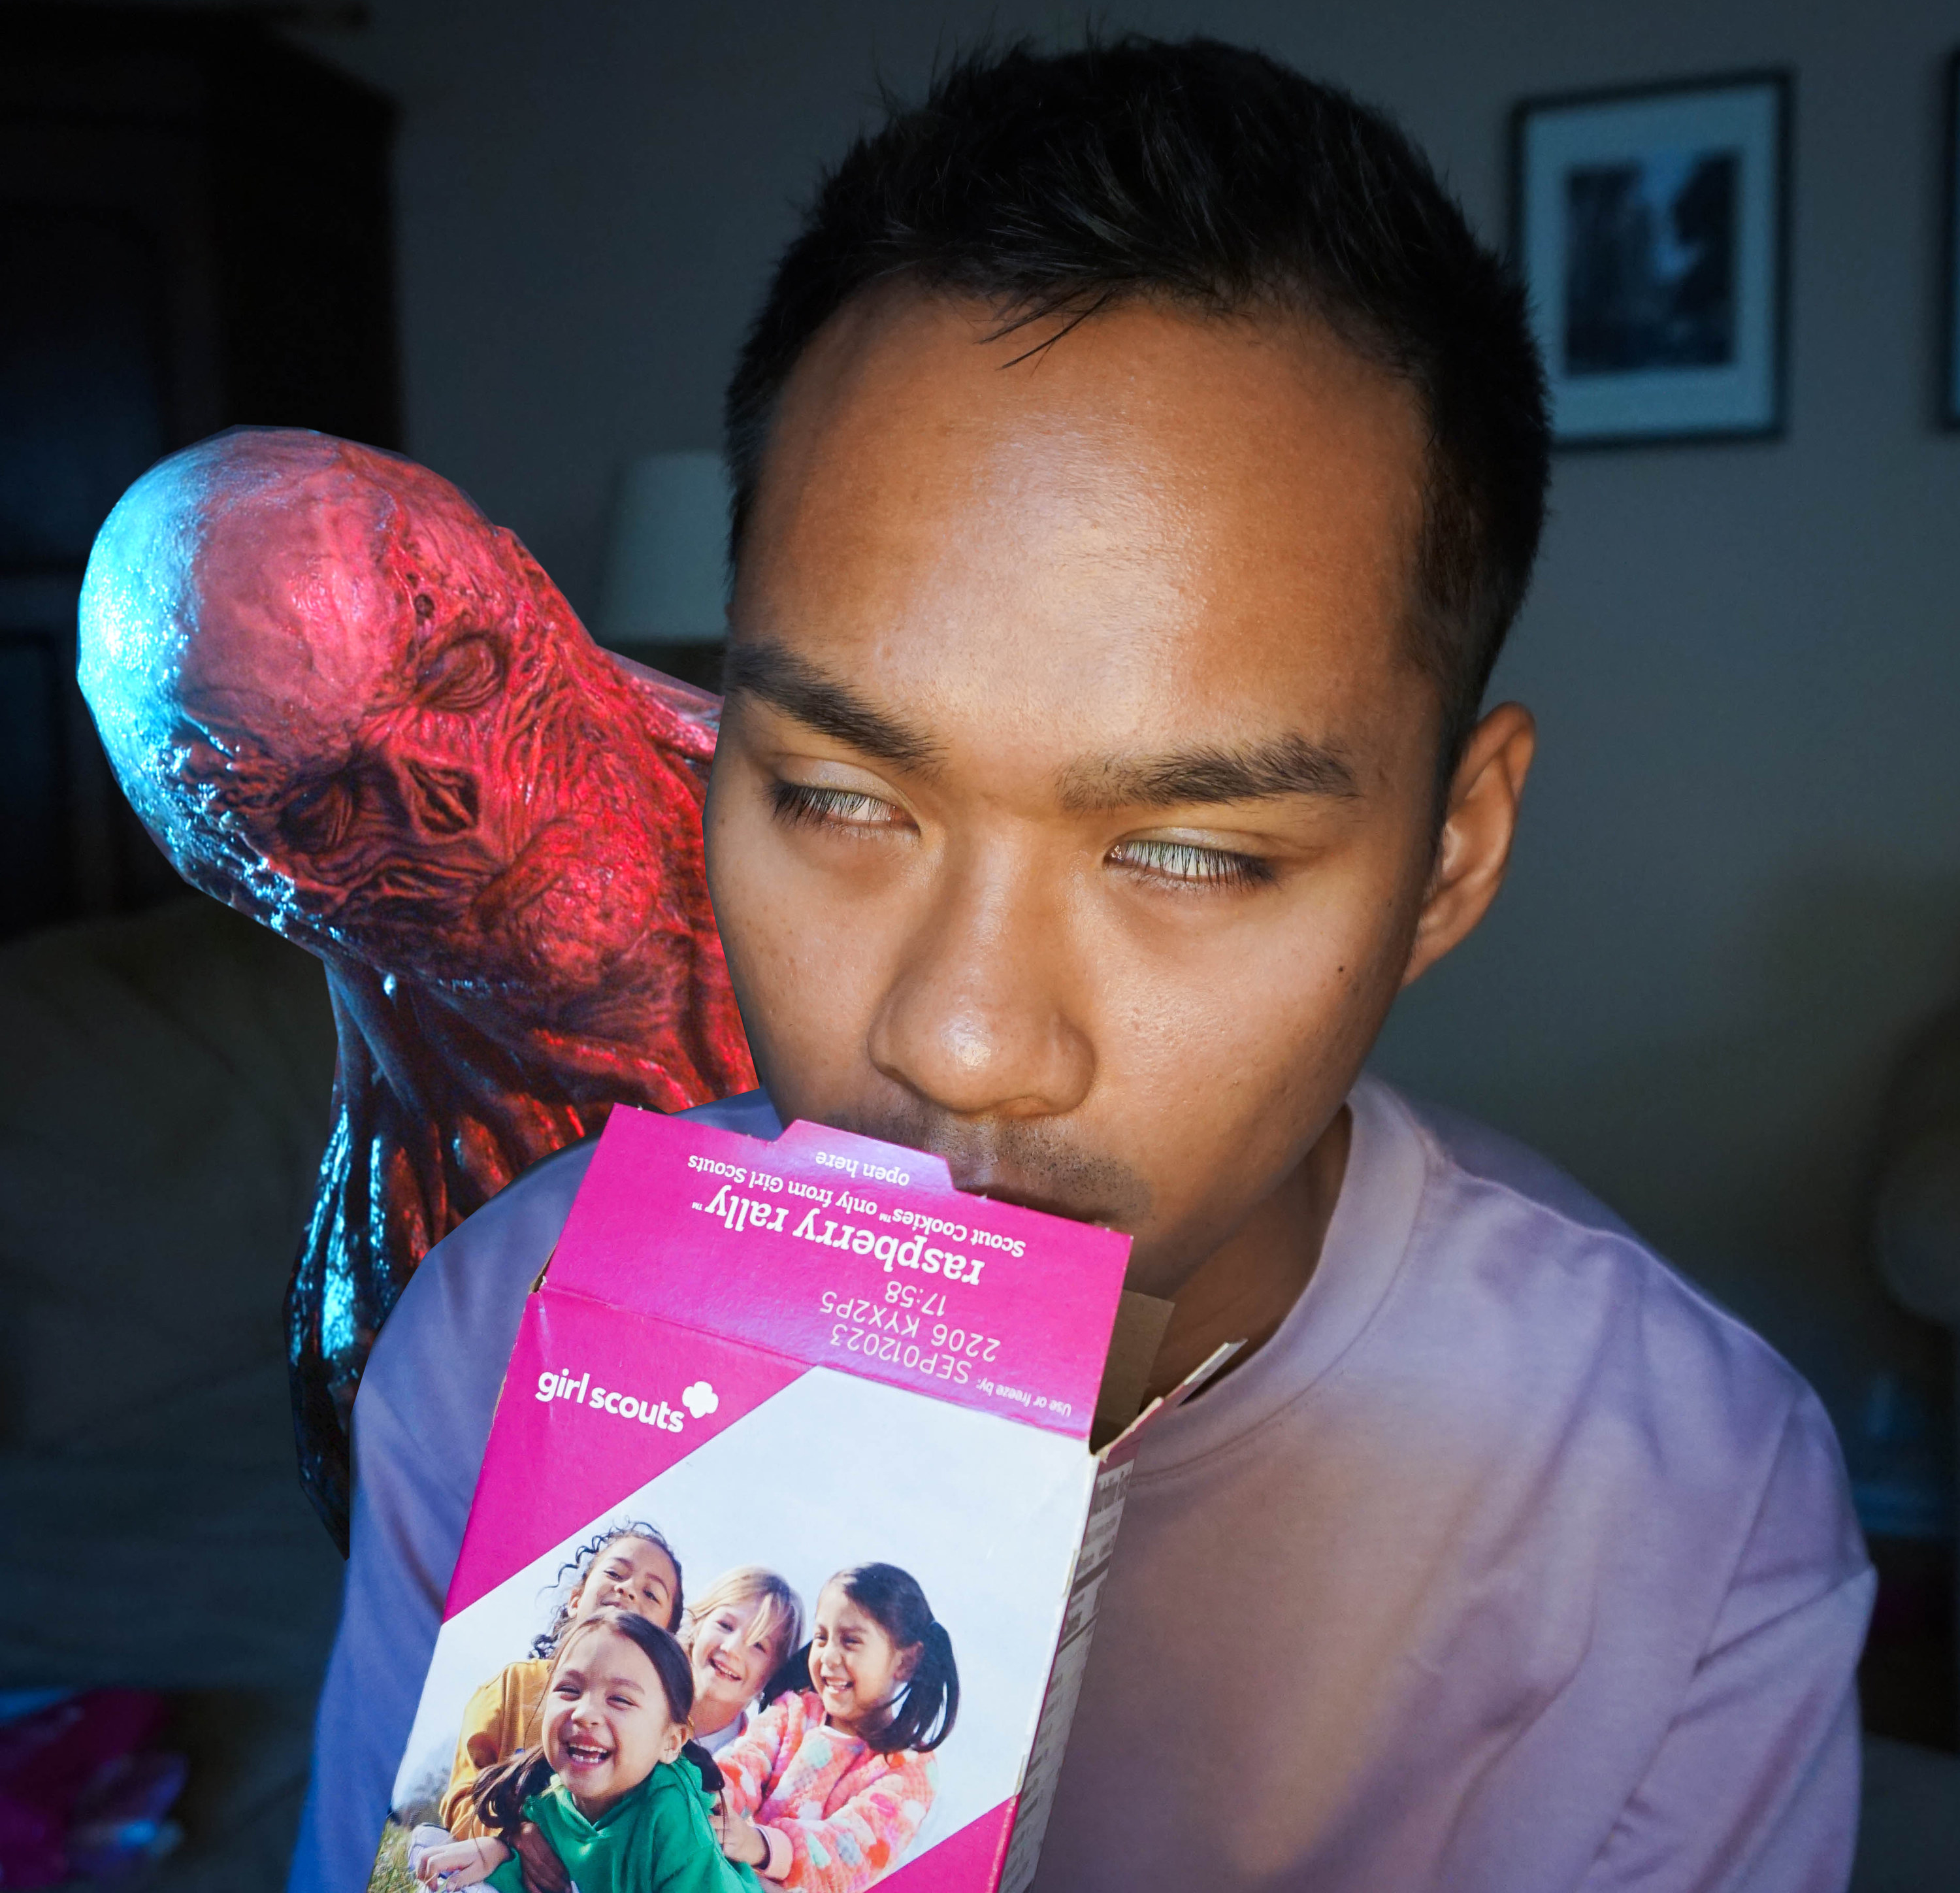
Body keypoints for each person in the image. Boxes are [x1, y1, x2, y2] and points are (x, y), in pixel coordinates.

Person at [293, 35, 1872, 1893]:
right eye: (837, 796)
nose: (960, 1042)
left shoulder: (1681, 1506)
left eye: (1188, 852)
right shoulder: (498, 1342)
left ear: (1446, 861)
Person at [410, 1609, 755, 1893]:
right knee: (434, 1846)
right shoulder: (548, 1801)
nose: (585, 1713)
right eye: (570, 1690)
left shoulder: (674, 1819)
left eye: (620, 1699)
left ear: (671, 1742)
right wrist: (499, 1853)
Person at [712, 1564, 955, 1890]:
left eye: (850, 1641)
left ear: (905, 1662)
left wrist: (759, 1844)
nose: (828, 1657)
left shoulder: (909, 1771)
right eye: (822, 1638)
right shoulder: (794, 1710)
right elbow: (741, 1766)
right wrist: (705, 1798)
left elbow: (850, 1851)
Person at [436, 1525, 684, 1841]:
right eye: (615, 1574)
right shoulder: (514, 1684)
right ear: (576, 1600)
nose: (628, 1589)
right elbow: (461, 1800)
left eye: (651, 1593)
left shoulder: (664, 1726)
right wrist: (512, 1839)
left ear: (667, 1640)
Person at [677, 1568, 806, 1756]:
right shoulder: (636, 1694)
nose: (731, 1648)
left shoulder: (755, 1766)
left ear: (775, 1673)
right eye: (725, 1625)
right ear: (699, 1623)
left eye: (758, 1645)